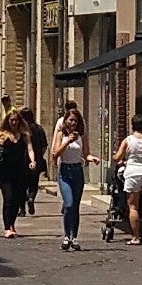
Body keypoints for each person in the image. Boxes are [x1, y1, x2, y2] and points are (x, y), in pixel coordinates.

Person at [115, 116, 142, 245]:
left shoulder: (128, 140)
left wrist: (118, 158)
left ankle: (136, 237)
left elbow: (117, 157)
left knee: (133, 207)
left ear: (132, 125)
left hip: (133, 173)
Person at [0, 111, 29, 236]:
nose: (14, 122)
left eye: (16, 120)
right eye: (11, 120)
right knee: (8, 198)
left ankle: (12, 224)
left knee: (17, 199)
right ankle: (7, 227)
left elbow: (30, 149)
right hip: (5, 171)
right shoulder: (3, 134)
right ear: (8, 121)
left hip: (19, 171)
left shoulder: (23, 135)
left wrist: (33, 161)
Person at [54, 103, 87, 251]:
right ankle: (66, 236)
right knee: (68, 203)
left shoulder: (82, 136)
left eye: (75, 121)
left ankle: (74, 237)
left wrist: (92, 158)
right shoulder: (61, 135)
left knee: (75, 206)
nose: (73, 123)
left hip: (77, 170)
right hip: (65, 171)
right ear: (65, 121)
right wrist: (67, 141)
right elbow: (56, 153)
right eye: (70, 120)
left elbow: (86, 154)